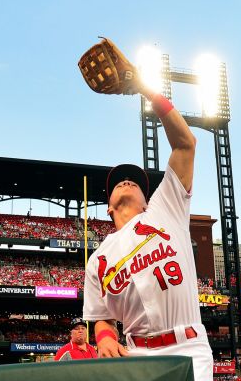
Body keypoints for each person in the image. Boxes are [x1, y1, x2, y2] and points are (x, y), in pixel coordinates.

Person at [82, 84, 213, 380]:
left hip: (188, 347)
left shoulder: (165, 208)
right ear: (109, 208)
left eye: (135, 182)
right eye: (118, 182)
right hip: (135, 354)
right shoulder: (98, 261)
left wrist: (144, 88)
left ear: (146, 199)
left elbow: (186, 144)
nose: (127, 181)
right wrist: (103, 337)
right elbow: (101, 317)